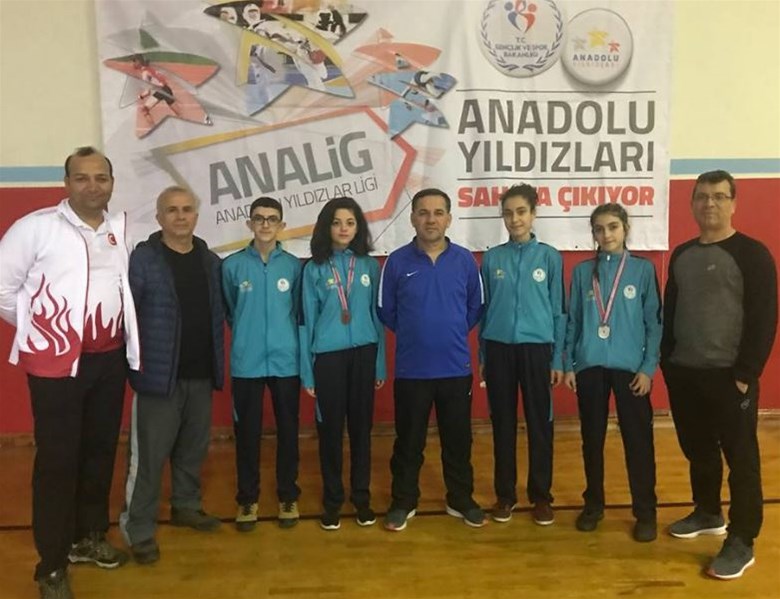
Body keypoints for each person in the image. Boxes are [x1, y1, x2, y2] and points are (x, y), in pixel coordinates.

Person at [0, 147, 139, 599]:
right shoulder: (36, 228)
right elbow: (3, 289)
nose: (92, 186)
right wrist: (41, 332)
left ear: (112, 183)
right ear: (66, 182)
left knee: (99, 452)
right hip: (55, 366)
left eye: (101, 177)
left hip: (109, 361)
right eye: (82, 178)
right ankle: (52, 565)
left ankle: (87, 538)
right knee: (58, 462)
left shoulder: (120, 230)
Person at [661, 170, 777, 579]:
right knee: (698, 450)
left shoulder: (753, 254)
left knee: (741, 459)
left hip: (731, 379)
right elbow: (671, 311)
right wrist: (668, 362)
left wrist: (746, 373)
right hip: (685, 374)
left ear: (733, 203)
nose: (709, 203)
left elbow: (764, 317)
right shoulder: (682, 254)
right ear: (692, 203)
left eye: (719, 196)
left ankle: (742, 539)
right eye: (702, 196)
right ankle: (708, 512)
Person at [119, 186, 225, 565]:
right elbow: (126, 317)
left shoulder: (210, 261)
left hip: (201, 374)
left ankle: (186, 506)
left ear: (196, 215)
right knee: (147, 460)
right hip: (158, 379)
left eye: (186, 209)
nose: (180, 216)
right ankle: (139, 529)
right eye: (172, 210)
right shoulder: (144, 260)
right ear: (159, 217)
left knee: (192, 451)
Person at [378, 188, 486, 531]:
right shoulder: (397, 262)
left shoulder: (465, 261)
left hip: (455, 368)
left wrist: (449, 331)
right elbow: (386, 310)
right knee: (408, 442)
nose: (431, 219)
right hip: (412, 370)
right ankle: (403, 501)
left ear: (449, 219)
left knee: (458, 440)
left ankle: (460, 499)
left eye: (438, 212)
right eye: (423, 212)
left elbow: (476, 307)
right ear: (413, 218)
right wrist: (417, 333)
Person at [563, 204, 661, 543]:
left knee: (638, 441)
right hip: (590, 367)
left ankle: (645, 513)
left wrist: (648, 369)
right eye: (599, 229)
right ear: (593, 233)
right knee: (592, 439)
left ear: (625, 229)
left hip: (631, 370)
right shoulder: (581, 272)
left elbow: (654, 324)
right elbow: (573, 321)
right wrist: (570, 363)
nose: (606, 234)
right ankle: (593, 505)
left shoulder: (642, 270)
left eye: (613, 227)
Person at [479, 184, 565, 525]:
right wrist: (483, 355)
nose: (514, 219)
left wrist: (557, 358)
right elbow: (485, 311)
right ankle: (505, 495)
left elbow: (558, 311)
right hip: (499, 349)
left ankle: (541, 496)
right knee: (502, 424)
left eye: (521, 212)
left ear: (533, 214)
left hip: (537, 349)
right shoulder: (492, 258)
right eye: (508, 213)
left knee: (539, 424)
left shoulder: (550, 257)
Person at [300, 197, 386, 530]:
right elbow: (306, 322)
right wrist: (308, 372)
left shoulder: (368, 266)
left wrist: (380, 363)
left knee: (362, 431)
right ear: (326, 227)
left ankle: (361, 498)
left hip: (364, 354)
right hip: (328, 358)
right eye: (336, 222)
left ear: (358, 227)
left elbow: (376, 317)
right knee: (331, 432)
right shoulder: (314, 269)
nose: (343, 228)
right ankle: (333, 500)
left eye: (350, 222)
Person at [222, 197, 303, 532]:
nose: (265, 224)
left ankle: (288, 495)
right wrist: (248, 336)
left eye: (272, 219)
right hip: (247, 363)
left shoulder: (294, 267)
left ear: (282, 225)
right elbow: (231, 310)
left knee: (288, 432)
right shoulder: (232, 266)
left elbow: (297, 311)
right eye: (259, 218)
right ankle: (247, 499)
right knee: (247, 435)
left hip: (286, 362)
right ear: (250, 224)